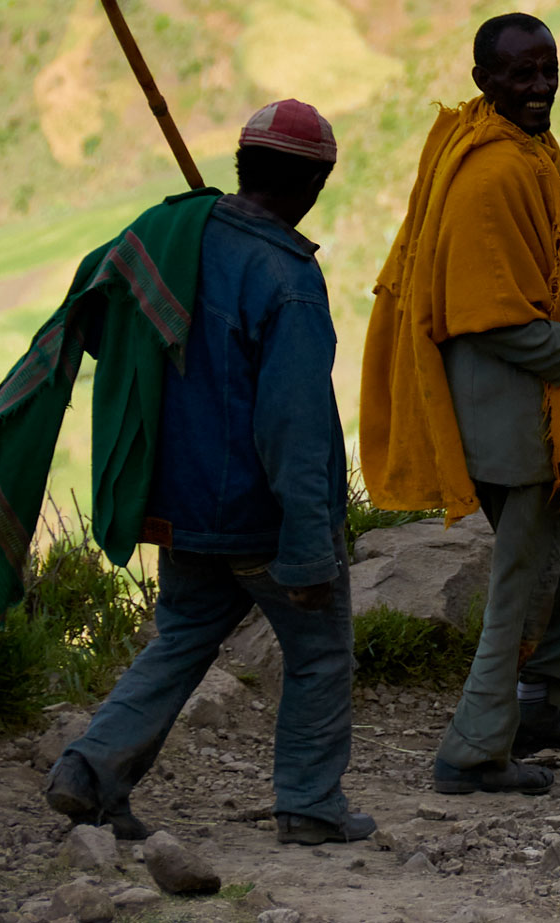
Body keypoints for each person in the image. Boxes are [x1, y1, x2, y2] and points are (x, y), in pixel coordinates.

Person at [42, 100, 374, 846]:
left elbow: (101, 318)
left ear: (241, 164)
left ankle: (90, 773)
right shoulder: (287, 278)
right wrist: (309, 546)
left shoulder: (174, 236)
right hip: (259, 516)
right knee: (319, 652)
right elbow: (293, 427)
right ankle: (312, 806)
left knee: (184, 635)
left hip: (179, 504)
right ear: (316, 182)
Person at [361, 14, 560, 796]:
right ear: (485, 82)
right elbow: (492, 322)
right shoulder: (491, 175)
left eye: (548, 69)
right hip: (508, 422)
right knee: (519, 585)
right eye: (522, 75)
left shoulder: (524, 154)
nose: (540, 88)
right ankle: (472, 749)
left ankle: (537, 703)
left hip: (537, 412)